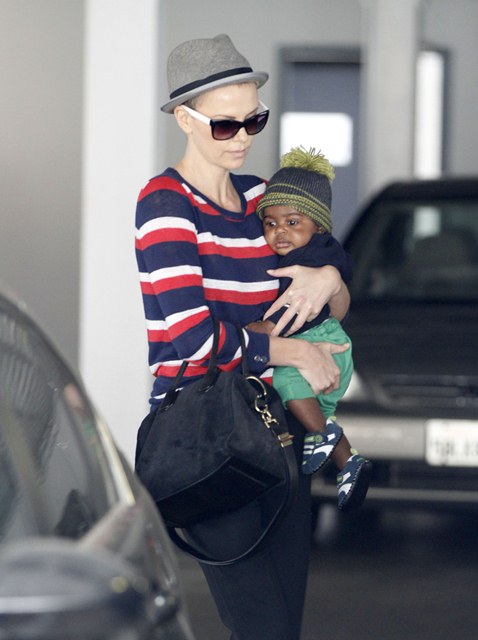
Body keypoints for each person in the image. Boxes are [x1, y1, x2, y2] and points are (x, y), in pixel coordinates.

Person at [134, 34, 350, 640]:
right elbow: (195, 343)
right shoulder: (166, 204)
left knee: (282, 626)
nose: (244, 137)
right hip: (207, 436)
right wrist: (295, 350)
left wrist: (329, 277)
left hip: (282, 427)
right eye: (226, 125)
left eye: (255, 119)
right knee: (263, 627)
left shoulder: (262, 199)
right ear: (185, 118)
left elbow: (335, 299)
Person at [248, 146, 372, 512]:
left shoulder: (311, 257)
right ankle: (348, 462)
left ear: (318, 225)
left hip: (322, 342)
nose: (279, 232)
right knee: (319, 412)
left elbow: (295, 307)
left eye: (292, 222)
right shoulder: (316, 253)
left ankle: (324, 436)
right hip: (332, 349)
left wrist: (265, 327)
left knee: (287, 379)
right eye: (270, 224)